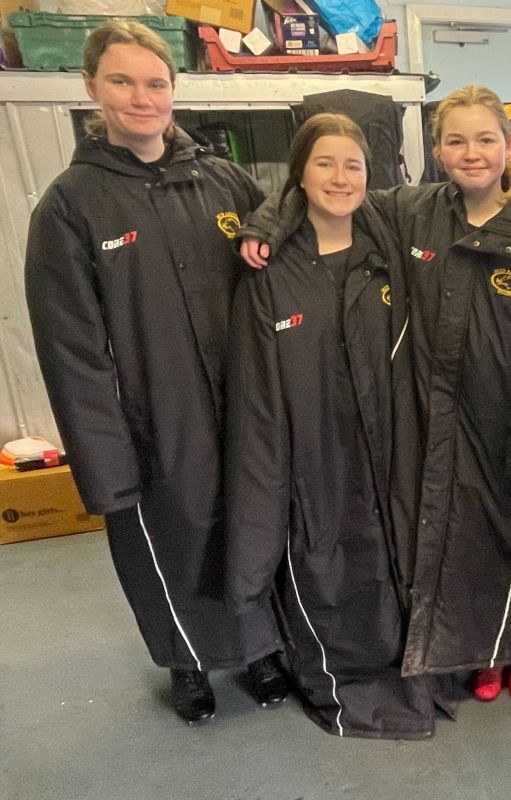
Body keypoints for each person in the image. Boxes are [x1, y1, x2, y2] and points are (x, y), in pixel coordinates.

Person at [240, 85, 511, 705]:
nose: (472, 153)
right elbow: (336, 190)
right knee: (458, 539)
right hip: (439, 416)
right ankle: (477, 655)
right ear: (436, 150)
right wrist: (269, 221)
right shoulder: (414, 211)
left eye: (485, 139)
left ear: (508, 147)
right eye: (456, 140)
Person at [23, 20, 286, 725]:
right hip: (150, 415)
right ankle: (186, 664)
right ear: (91, 88)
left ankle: (262, 648)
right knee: (171, 544)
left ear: (174, 90)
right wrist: (105, 461)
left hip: (240, 404)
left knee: (250, 527)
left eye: (155, 83)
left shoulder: (224, 182)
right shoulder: (70, 207)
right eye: (121, 81)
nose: (141, 98)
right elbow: (70, 348)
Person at [224, 113, 453, 738]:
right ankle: (341, 668)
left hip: (392, 440)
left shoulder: (391, 245)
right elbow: (258, 393)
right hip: (315, 450)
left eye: (352, 163)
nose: (340, 176)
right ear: (299, 172)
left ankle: (414, 660)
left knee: (399, 548)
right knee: (330, 556)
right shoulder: (270, 273)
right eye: (324, 162)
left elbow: (469, 187)